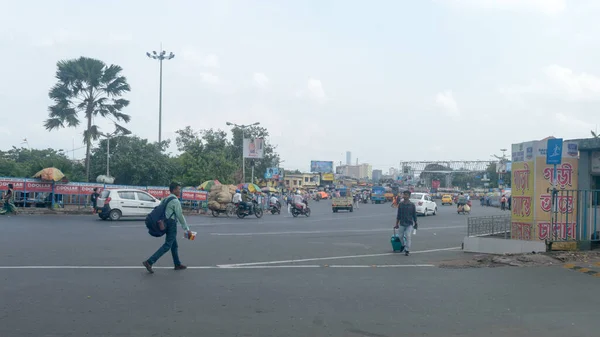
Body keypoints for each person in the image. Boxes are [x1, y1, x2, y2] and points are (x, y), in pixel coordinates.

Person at [143, 182, 192, 273]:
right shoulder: (175, 201)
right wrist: (187, 229)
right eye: (178, 189)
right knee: (168, 245)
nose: (179, 190)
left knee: (174, 245)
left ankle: (177, 264)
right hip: (171, 224)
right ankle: (150, 261)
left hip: (165, 223)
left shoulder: (165, 199)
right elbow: (180, 215)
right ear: (173, 190)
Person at [394, 190, 417, 256]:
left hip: (409, 224)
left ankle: (407, 250)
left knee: (408, 236)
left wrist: (416, 223)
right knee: (400, 236)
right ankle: (403, 245)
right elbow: (398, 215)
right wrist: (396, 224)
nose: (404, 196)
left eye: (406, 195)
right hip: (402, 223)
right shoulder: (401, 204)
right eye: (404, 195)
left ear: (409, 196)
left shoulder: (412, 205)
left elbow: (414, 215)